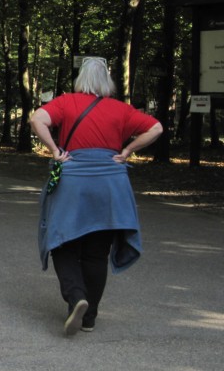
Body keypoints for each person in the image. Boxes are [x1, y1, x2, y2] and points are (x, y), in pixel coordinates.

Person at [30, 57, 162, 336]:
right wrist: (127, 152)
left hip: (74, 182)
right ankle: (88, 318)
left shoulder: (66, 103)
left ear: (81, 80)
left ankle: (77, 296)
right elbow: (156, 127)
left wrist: (55, 150)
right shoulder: (120, 109)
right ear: (107, 81)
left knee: (62, 244)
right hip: (110, 185)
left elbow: (37, 118)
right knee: (96, 254)